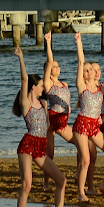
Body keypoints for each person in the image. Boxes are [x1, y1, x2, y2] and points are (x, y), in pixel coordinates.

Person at [12, 47, 66, 207]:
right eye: (42, 85)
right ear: (34, 87)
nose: (44, 88)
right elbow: (24, 78)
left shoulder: (43, 103)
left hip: (41, 147)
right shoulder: (26, 103)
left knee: (61, 180)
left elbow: (48, 127)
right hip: (27, 145)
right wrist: (21, 58)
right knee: (27, 185)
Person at [71, 32, 104, 201]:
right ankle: (81, 192)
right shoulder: (81, 86)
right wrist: (79, 42)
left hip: (95, 126)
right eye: (86, 70)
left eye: (90, 69)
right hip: (81, 125)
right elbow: (80, 61)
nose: (88, 72)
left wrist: (103, 118)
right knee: (86, 160)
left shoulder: (102, 89)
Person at [42, 32, 75, 192]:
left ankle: (47, 183)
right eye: (54, 66)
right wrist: (48, 43)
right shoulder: (48, 84)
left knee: (50, 153)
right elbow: (49, 61)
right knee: (78, 143)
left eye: (58, 66)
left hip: (62, 119)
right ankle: (47, 183)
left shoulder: (65, 84)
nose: (57, 68)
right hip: (56, 119)